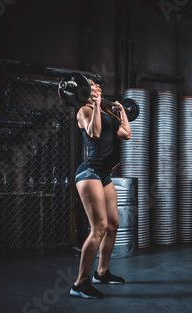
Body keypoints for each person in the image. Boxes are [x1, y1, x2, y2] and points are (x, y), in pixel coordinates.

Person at [70, 79, 131, 299]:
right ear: (85, 91)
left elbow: (126, 133)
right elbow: (94, 134)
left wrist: (122, 111)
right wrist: (95, 105)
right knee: (99, 227)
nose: (99, 86)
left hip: (105, 175)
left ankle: (101, 273)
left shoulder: (108, 113)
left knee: (113, 223)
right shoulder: (84, 111)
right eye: (94, 84)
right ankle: (80, 283)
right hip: (89, 173)